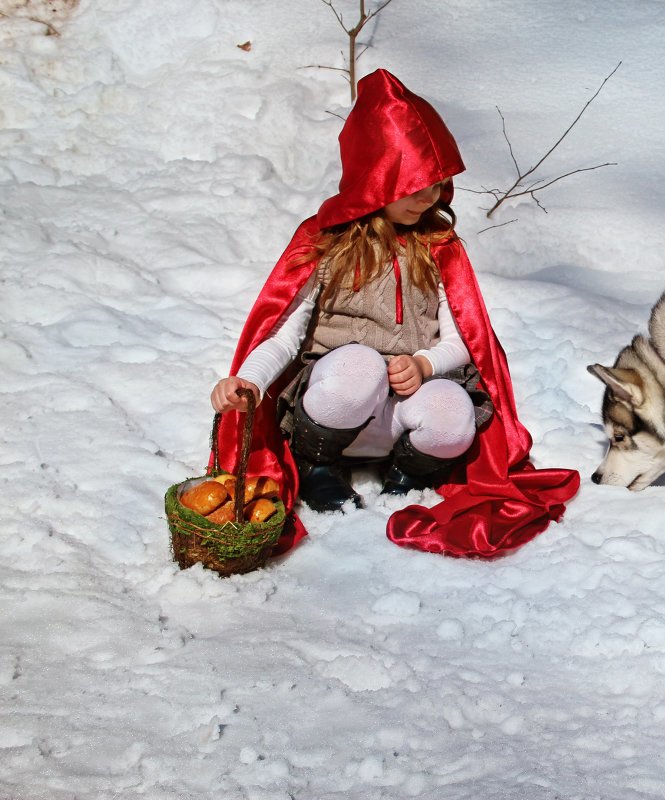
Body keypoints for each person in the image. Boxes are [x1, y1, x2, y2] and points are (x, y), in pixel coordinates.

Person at [208, 70, 579, 558]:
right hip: (334, 402)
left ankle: (409, 472)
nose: (429, 199)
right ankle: (318, 466)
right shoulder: (327, 242)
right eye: (414, 186)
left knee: (452, 412)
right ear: (376, 175)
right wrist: (249, 381)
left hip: (405, 407)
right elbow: (281, 332)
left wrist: (426, 365)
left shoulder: (438, 246)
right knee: (358, 363)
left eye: (437, 186)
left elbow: (466, 338)